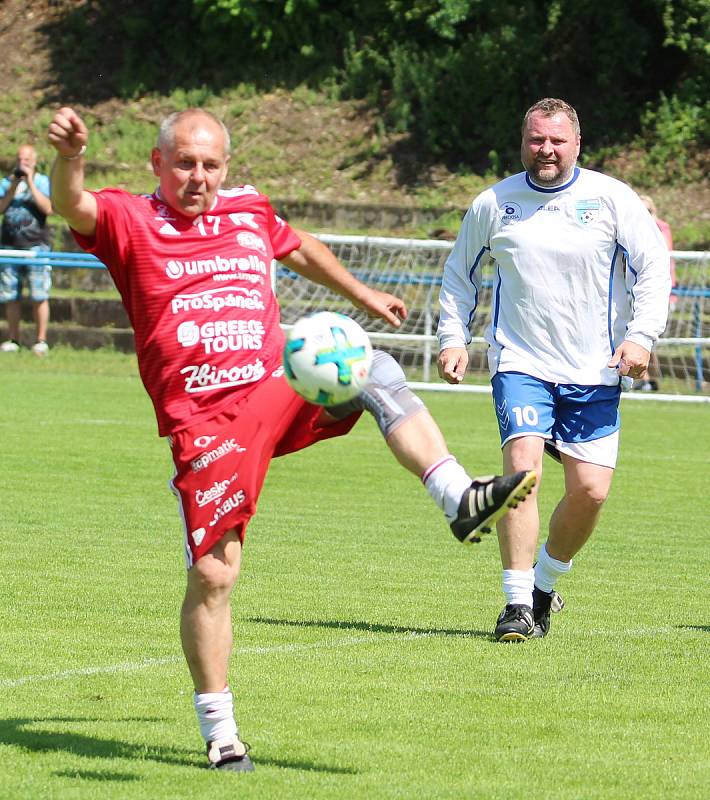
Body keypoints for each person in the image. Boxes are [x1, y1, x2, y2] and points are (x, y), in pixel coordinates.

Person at [47, 106, 535, 770]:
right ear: (157, 164)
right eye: (184, 163)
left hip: (278, 380)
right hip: (208, 420)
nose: (198, 177)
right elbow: (71, 204)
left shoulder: (248, 208)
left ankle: (457, 497)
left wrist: (362, 295)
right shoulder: (131, 220)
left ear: (227, 167)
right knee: (216, 574)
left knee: (372, 366)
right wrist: (72, 156)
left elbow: (299, 247)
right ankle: (221, 732)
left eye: (211, 164)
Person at [437, 97, 671, 643]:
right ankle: (517, 604)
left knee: (590, 492)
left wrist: (641, 336)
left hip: (595, 368)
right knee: (523, 471)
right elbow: (458, 276)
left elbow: (653, 268)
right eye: (536, 139)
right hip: (521, 361)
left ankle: (545, 583)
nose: (545, 150)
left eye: (556, 141)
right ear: (523, 142)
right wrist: (454, 338)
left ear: (577, 144)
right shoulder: (494, 204)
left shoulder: (611, 198)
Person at [0, 144, 53, 355]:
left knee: (39, 295)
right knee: (10, 295)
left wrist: (30, 182)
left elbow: (48, 208)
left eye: (28, 160)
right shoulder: (6, 182)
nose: (24, 164)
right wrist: (14, 186)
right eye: (21, 160)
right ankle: (14, 339)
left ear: (35, 161)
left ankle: (41, 340)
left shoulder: (42, 182)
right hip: (9, 247)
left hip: (36, 247)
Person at [637, 194, 676, 391]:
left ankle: (648, 379)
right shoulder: (631, 228)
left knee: (650, 339)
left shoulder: (660, 229)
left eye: (648, 211)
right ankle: (644, 380)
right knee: (637, 336)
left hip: (661, 294)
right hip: (634, 293)